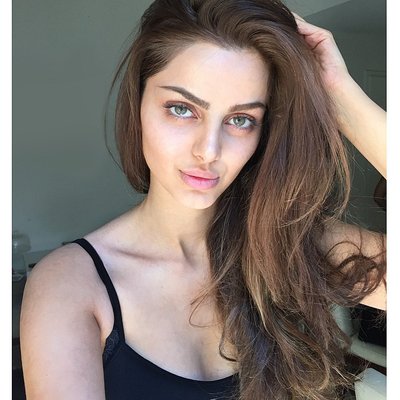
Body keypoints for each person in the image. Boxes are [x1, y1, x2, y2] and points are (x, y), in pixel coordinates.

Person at [20, 0, 386, 399]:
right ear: (138, 103)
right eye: (181, 109)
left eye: (241, 120)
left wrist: (341, 97)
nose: (209, 151)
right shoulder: (70, 285)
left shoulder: (295, 244)